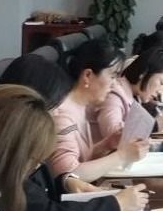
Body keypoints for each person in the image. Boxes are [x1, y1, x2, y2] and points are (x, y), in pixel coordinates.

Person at [0, 54, 147, 211]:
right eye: (53, 107)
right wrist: (116, 205)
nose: (56, 113)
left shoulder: (18, 142)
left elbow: (40, 190)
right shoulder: (5, 156)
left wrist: (66, 182)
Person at [49, 38, 148, 181]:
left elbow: (81, 158)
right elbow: (68, 175)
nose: (114, 85)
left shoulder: (81, 106)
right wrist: (122, 156)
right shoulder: (62, 116)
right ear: (88, 75)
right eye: (112, 76)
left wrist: (107, 144)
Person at [96, 48, 163, 140]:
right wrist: (153, 126)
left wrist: (150, 109)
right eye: (162, 83)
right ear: (144, 73)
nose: (160, 91)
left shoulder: (134, 95)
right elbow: (111, 132)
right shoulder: (114, 94)